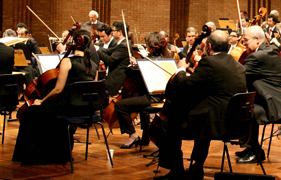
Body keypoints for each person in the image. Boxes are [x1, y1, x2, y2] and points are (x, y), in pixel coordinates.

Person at [154, 30, 247, 180]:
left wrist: (181, 69)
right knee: (203, 118)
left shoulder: (209, 62)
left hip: (214, 124)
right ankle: (197, 167)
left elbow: (184, 86)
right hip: (235, 123)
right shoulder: (237, 65)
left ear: (209, 46)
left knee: (166, 125)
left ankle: (176, 172)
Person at [12, 26, 97, 165]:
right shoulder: (93, 65)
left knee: (30, 111)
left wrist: (42, 100)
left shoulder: (67, 62)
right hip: (87, 110)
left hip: (68, 107)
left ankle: (37, 156)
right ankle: (60, 152)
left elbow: (58, 90)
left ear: (75, 42)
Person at [236, 26, 281, 164]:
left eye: (245, 40)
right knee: (247, 106)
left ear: (257, 40)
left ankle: (255, 151)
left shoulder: (257, 57)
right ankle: (250, 146)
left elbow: (238, 75)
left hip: (278, 105)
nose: (243, 43)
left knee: (246, 111)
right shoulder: (270, 50)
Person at [115, 32, 170, 149]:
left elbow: (129, 72)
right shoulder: (167, 58)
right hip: (165, 98)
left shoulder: (148, 61)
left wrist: (133, 65)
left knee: (120, 105)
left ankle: (132, 135)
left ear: (149, 46)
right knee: (140, 96)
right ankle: (145, 138)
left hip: (152, 98)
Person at [97, 21, 130, 96]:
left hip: (116, 81)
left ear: (119, 32)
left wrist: (97, 50)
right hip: (113, 78)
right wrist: (97, 48)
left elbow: (110, 60)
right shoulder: (122, 43)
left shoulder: (124, 45)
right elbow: (109, 50)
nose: (112, 32)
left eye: (114, 30)